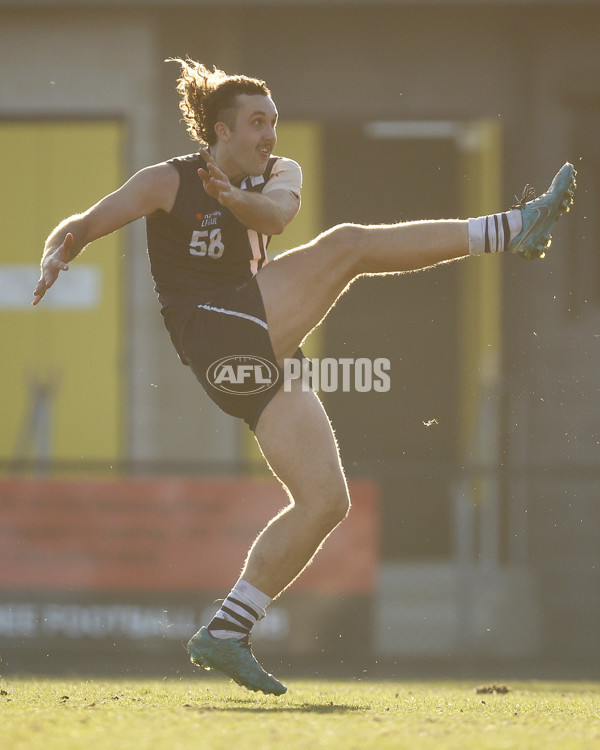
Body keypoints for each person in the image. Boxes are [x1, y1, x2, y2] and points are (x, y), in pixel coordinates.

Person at [33, 57, 576, 696]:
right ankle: (513, 228)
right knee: (349, 245)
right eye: (256, 122)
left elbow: (277, 219)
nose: (269, 133)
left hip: (250, 348)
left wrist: (237, 198)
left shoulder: (277, 173)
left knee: (326, 502)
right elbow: (89, 221)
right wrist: (56, 248)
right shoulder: (168, 180)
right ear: (220, 131)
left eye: (274, 121)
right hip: (212, 329)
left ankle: (227, 631)